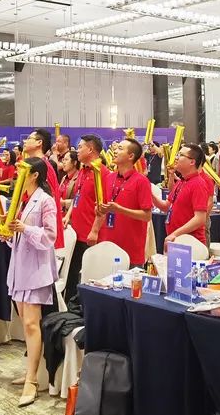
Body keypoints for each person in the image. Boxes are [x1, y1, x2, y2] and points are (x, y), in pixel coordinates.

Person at [0, 157, 58, 406]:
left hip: (36, 271)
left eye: (22, 172)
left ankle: (32, 380)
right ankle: (32, 370)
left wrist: (24, 228)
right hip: (20, 268)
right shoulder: (23, 201)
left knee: (32, 324)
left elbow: (50, 236)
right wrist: (8, 233)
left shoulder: (45, 200)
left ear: (34, 175)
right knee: (26, 323)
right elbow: (20, 239)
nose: (17, 176)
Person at [63, 134, 111, 304]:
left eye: (80, 147)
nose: (77, 150)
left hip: (90, 234)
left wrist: (95, 230)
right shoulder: (83, 170)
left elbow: (104, 206)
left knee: (87, 276)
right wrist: (68, 216)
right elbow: (77, 195)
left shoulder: (103, 173)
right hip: (75, 231)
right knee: (72, 273)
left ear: (90, 149)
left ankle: (83, 308)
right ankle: (70, 308)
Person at [93, 139, 153, 267]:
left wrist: (120, 209)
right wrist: (99, 210)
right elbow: (104, 209)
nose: (115, 151)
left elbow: (147, 216)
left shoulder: (141, 181)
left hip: (131, 250)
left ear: (131, 156)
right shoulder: (109, 178)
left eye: (120, 148)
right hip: (108, 244)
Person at [154, 143, 212, 246]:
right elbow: (166, 206)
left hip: (190, 243)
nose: (176, 157)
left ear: (192, 162)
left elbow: (200, 219)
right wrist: (149, 193)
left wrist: (175, 234)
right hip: (177, 240)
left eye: (181, 155)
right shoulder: (182, 181)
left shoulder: (198, 184)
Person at [21, 128, 65, 251]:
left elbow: (49, 203)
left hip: (39, 235)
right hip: (28, 229)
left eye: (29, 138)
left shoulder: (44, 167)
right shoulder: (33, 165)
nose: (25, 141)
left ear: (39, 142)